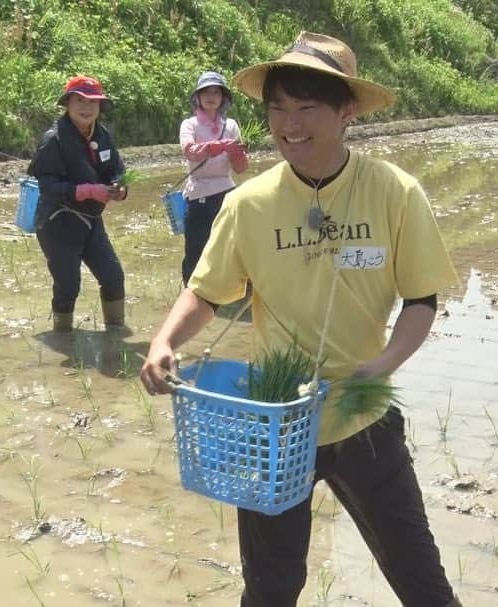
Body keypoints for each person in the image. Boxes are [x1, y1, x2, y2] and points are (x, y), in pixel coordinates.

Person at [140, 31, 462, 607]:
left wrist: (383, 364)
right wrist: (165, 340)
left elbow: (421, 301)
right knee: (270, 588)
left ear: (346, 112)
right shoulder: (250, 203)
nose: (290, 123)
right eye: (278, 109)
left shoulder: (394, 193)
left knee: (420, 581)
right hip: (277, 426)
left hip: (364, 417)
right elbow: (207, 292)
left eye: (307, 107)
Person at [27, 75, 129, 333]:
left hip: (91, 222)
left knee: (113, 277)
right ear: (67, 104)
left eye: (93, 102)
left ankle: (115, 336)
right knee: (68, 285)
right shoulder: (54, 139)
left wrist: (119, 187)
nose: (87, 108)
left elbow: (116, 169)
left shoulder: (103, 135)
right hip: (58, 222)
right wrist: (88, 191)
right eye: (79, 101)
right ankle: (62, 338)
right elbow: (48, 188)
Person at [178, 71, 249, 286]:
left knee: (232, 243)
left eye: (216, 92)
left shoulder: (232, 126)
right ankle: (192, 291)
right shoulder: (189, 124)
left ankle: (232, 288)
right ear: (197, 97)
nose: (211, 96)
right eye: (206, 92)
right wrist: (218, 146)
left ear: (223, 98)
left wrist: (238, 152)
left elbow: (241, 169)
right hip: (199, 192)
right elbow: (190, 151)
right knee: (196, 246)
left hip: (227, 191)